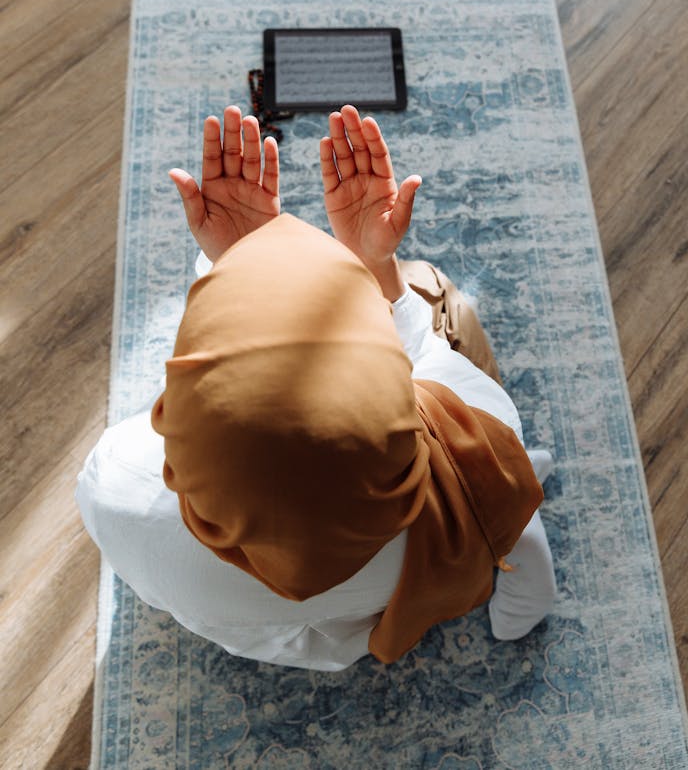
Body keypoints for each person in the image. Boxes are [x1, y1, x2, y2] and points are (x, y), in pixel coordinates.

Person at [76, 105, 556, 671]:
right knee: (433, 293)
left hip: (267, 626)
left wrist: (235, 263)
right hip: (405, 576)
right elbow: (418, 357)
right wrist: (375, 266)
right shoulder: (463, 496)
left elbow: (232, 397)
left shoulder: (118, 487)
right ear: (403, 421)